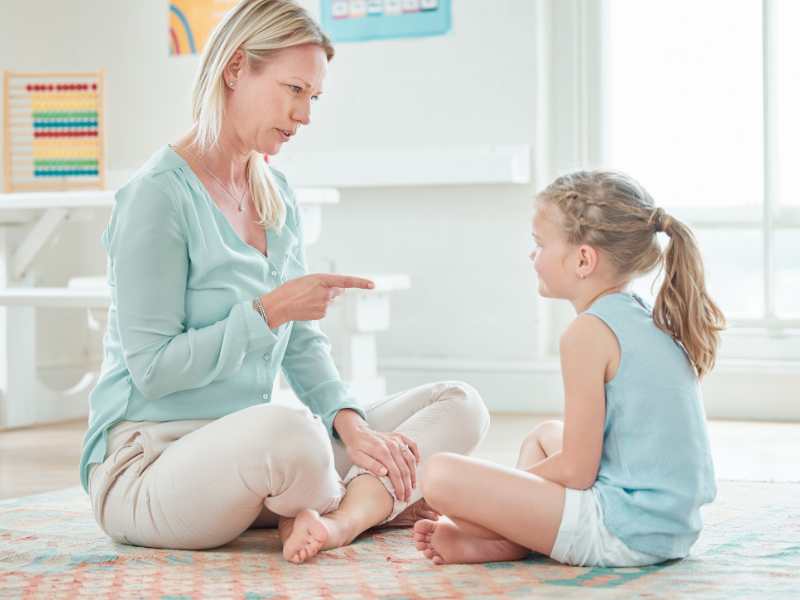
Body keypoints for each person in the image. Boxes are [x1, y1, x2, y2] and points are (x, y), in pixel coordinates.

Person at [81, 0, 488, 564]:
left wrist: (351, 427)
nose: (305, 116)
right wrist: (267, 312)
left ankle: (337, 514)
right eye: (294, 90)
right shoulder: (158, 196)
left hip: (250, 453)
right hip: (150, 462)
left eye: (313, 97)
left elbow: (300, 343)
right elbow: (152, 372)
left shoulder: (275, 193)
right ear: (235, 69)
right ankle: (371, 506)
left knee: (460, 404)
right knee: (293, 432)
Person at [414, 170, 723, 567]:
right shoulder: (642, 316)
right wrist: (506, 493)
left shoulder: (587, 333)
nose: (532, 255)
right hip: (672, 528)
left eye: (540, 244)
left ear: (582, 259)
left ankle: (503, 533)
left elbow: (578, 470)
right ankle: (509, 538)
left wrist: (496, 498)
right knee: (543, 437)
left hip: (623, 532)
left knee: (439, 474)